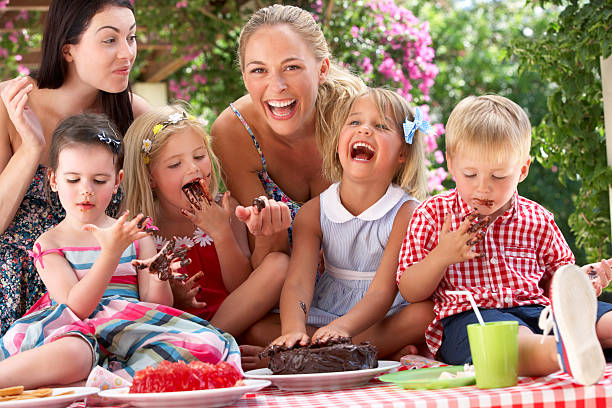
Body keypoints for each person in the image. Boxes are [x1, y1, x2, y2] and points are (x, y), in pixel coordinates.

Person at [0, 114, 240, 389]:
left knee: (205, 343)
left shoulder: (137, 234)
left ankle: (106, 382)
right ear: (54, 180)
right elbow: (75, 307)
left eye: (99, 180)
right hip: (74, 332)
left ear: (117, 181)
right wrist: (110, 254)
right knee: (76, 355)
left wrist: (160, 277)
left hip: (132, 330)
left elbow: (154, 305)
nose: (86, 190)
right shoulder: (49, 243)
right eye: (73, 179)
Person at [396, 94, 612, 386]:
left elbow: (559, 280)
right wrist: (441, 256)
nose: (482, 187)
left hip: (541, 310)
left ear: (522, 170)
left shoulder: (537, 218)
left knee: (604, 318)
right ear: (451, 163)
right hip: (471, 319)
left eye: (499, 176)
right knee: (511, 340)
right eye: (470, 174)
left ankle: (578, 340)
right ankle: (563, 353)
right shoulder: (433, 215)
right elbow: (409, 289)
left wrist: (585, 281)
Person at [0, 0, 149, 335]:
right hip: (15, 287)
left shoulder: (132, 114)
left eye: (132, 37)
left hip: (98, 287)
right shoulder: (9, 104)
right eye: (110, 40)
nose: (126, 54)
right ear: (68, 50)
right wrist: (32, 148)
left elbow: (145, 210)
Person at [269, 88, 435, 360]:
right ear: (338, 142)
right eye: (355, 122)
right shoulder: (313, 212)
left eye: (381, 126)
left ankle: (327, 354)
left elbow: (382, 291)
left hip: (382, 311)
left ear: (402, 153)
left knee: (423, 314)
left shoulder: (406, 213)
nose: (364, 131)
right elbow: (299, 282)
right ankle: (358, 353)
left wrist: (343, 327)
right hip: (327, 309)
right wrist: (293, 330)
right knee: (257, 328)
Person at [210, 4, 365, 266]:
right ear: (245, 78)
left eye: (291, 67)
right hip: (289, 291)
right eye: (259, 70)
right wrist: (270, 233)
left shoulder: (355, 117)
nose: (277, 86)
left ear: (322, 69)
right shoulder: (232, 133)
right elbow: (268, 262)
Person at [122, 104, 289, 340]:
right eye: (174, 164)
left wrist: (221, 232)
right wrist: (173, 295)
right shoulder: (142, 227)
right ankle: (208, 343)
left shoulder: (227, 209)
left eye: (199, 156)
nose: (193, 168)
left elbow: (240, 287)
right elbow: (142, 304)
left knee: (278, 264)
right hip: (177, 327)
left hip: (229, 319)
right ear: (150, 178)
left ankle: (212, 340)